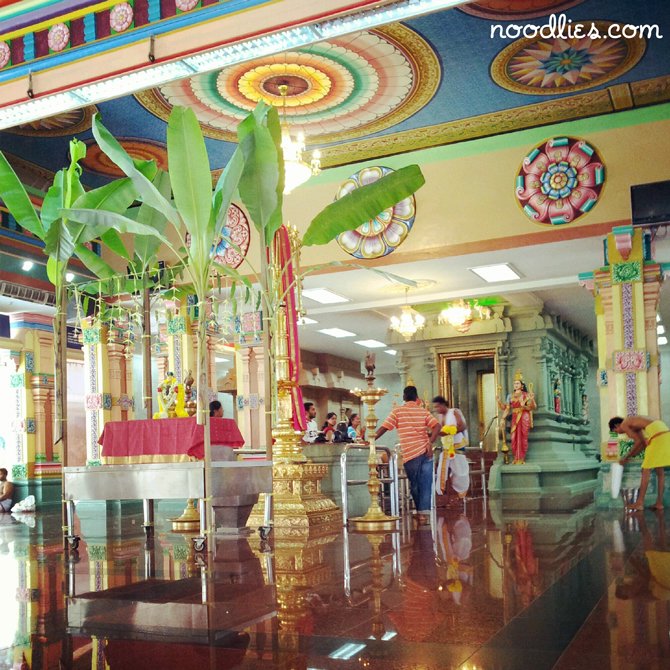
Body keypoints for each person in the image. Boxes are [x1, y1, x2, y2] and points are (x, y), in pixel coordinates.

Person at [375, 386, 440, 524]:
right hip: (426, 451)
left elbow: (384, 427)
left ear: (404, 397)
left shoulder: (397, 411)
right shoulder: (423, 411)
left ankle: (421, 513)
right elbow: (437, 426)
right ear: (417, 398)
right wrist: (430, 441)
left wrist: (370, 438)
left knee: (415, 484)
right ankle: (423, 513)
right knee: (426, 483)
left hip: (411, 453)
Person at [609, 415, 670, 511]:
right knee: (660, 471)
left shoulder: (625, 423)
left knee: (645, 470)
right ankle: (659, 503)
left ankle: (639, 503)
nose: (619, 433)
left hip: (657, 436)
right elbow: (643, 443)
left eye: (616, 431)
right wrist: (628, 457)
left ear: (617, 425)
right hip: (665, 434)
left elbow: (637, 442)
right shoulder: (636, 425)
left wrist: (625, 457)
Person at [432, 396, 469, 499]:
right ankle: (443, 495)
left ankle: (461, 494)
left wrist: (450, 432)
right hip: (446, 448)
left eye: (438, 407)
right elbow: (438, 430)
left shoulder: (454, 412)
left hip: (457, 446)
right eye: (435, 407)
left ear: (444, 405)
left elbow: (462, 426)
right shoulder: (439, 417)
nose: (437, 410)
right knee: (442, 470)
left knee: (460, 472)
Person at [498, 372, 536, 465]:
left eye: (517, 383)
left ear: (522, 385)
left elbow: (533, 407)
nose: (515, 385)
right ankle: (516, 457)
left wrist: (530, 400)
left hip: (524, 417)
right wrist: (502, 417)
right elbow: (506, 408)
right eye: (514, 383)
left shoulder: (526, 395)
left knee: (523, 437)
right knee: (514, 437)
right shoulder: (510, 396)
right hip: (515, 417)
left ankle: (521, 458)